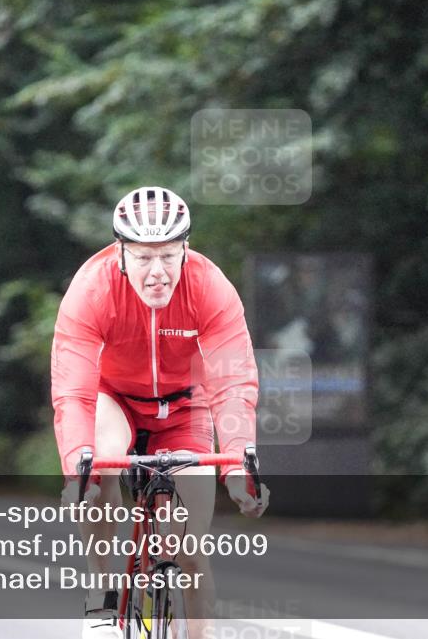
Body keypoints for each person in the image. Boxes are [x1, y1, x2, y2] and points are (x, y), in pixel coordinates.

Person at [51, 187, 270, 639]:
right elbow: (73, 393)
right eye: (144, 258)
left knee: (190, 546)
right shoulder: (91, 289)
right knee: (101, 459)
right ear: (120, 253)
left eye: (169, 256)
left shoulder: (210, 288)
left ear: (185, 249)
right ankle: (100, 600)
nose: (157, 273)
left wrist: (237, 468)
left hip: (185, 404)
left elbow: (232, 384)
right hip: (113, 398)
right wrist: (79, 470)